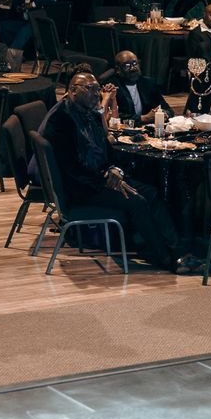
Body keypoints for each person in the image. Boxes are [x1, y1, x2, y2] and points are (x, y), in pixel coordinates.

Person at [40, 71, 177, 267]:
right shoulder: (61, 119)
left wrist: (115, 170)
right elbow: (70, 168)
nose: (97, 94)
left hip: (99, 176)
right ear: (71, 90)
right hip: (80, 189)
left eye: (98, 89)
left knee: (152, 192)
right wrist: (105, 180)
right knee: (136, 200)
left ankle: (175, 249)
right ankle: (164, 257)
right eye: (90, 89)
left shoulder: (92, 114)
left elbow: (107, 151)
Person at [101, 51, 164, 123]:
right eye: (127, 65)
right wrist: (142, 118)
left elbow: (165, 107)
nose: (133, 68)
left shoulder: (148, 83)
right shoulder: (111, 87)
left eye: (135, 64)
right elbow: (112, 116)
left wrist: (164, 114)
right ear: (118, 69)